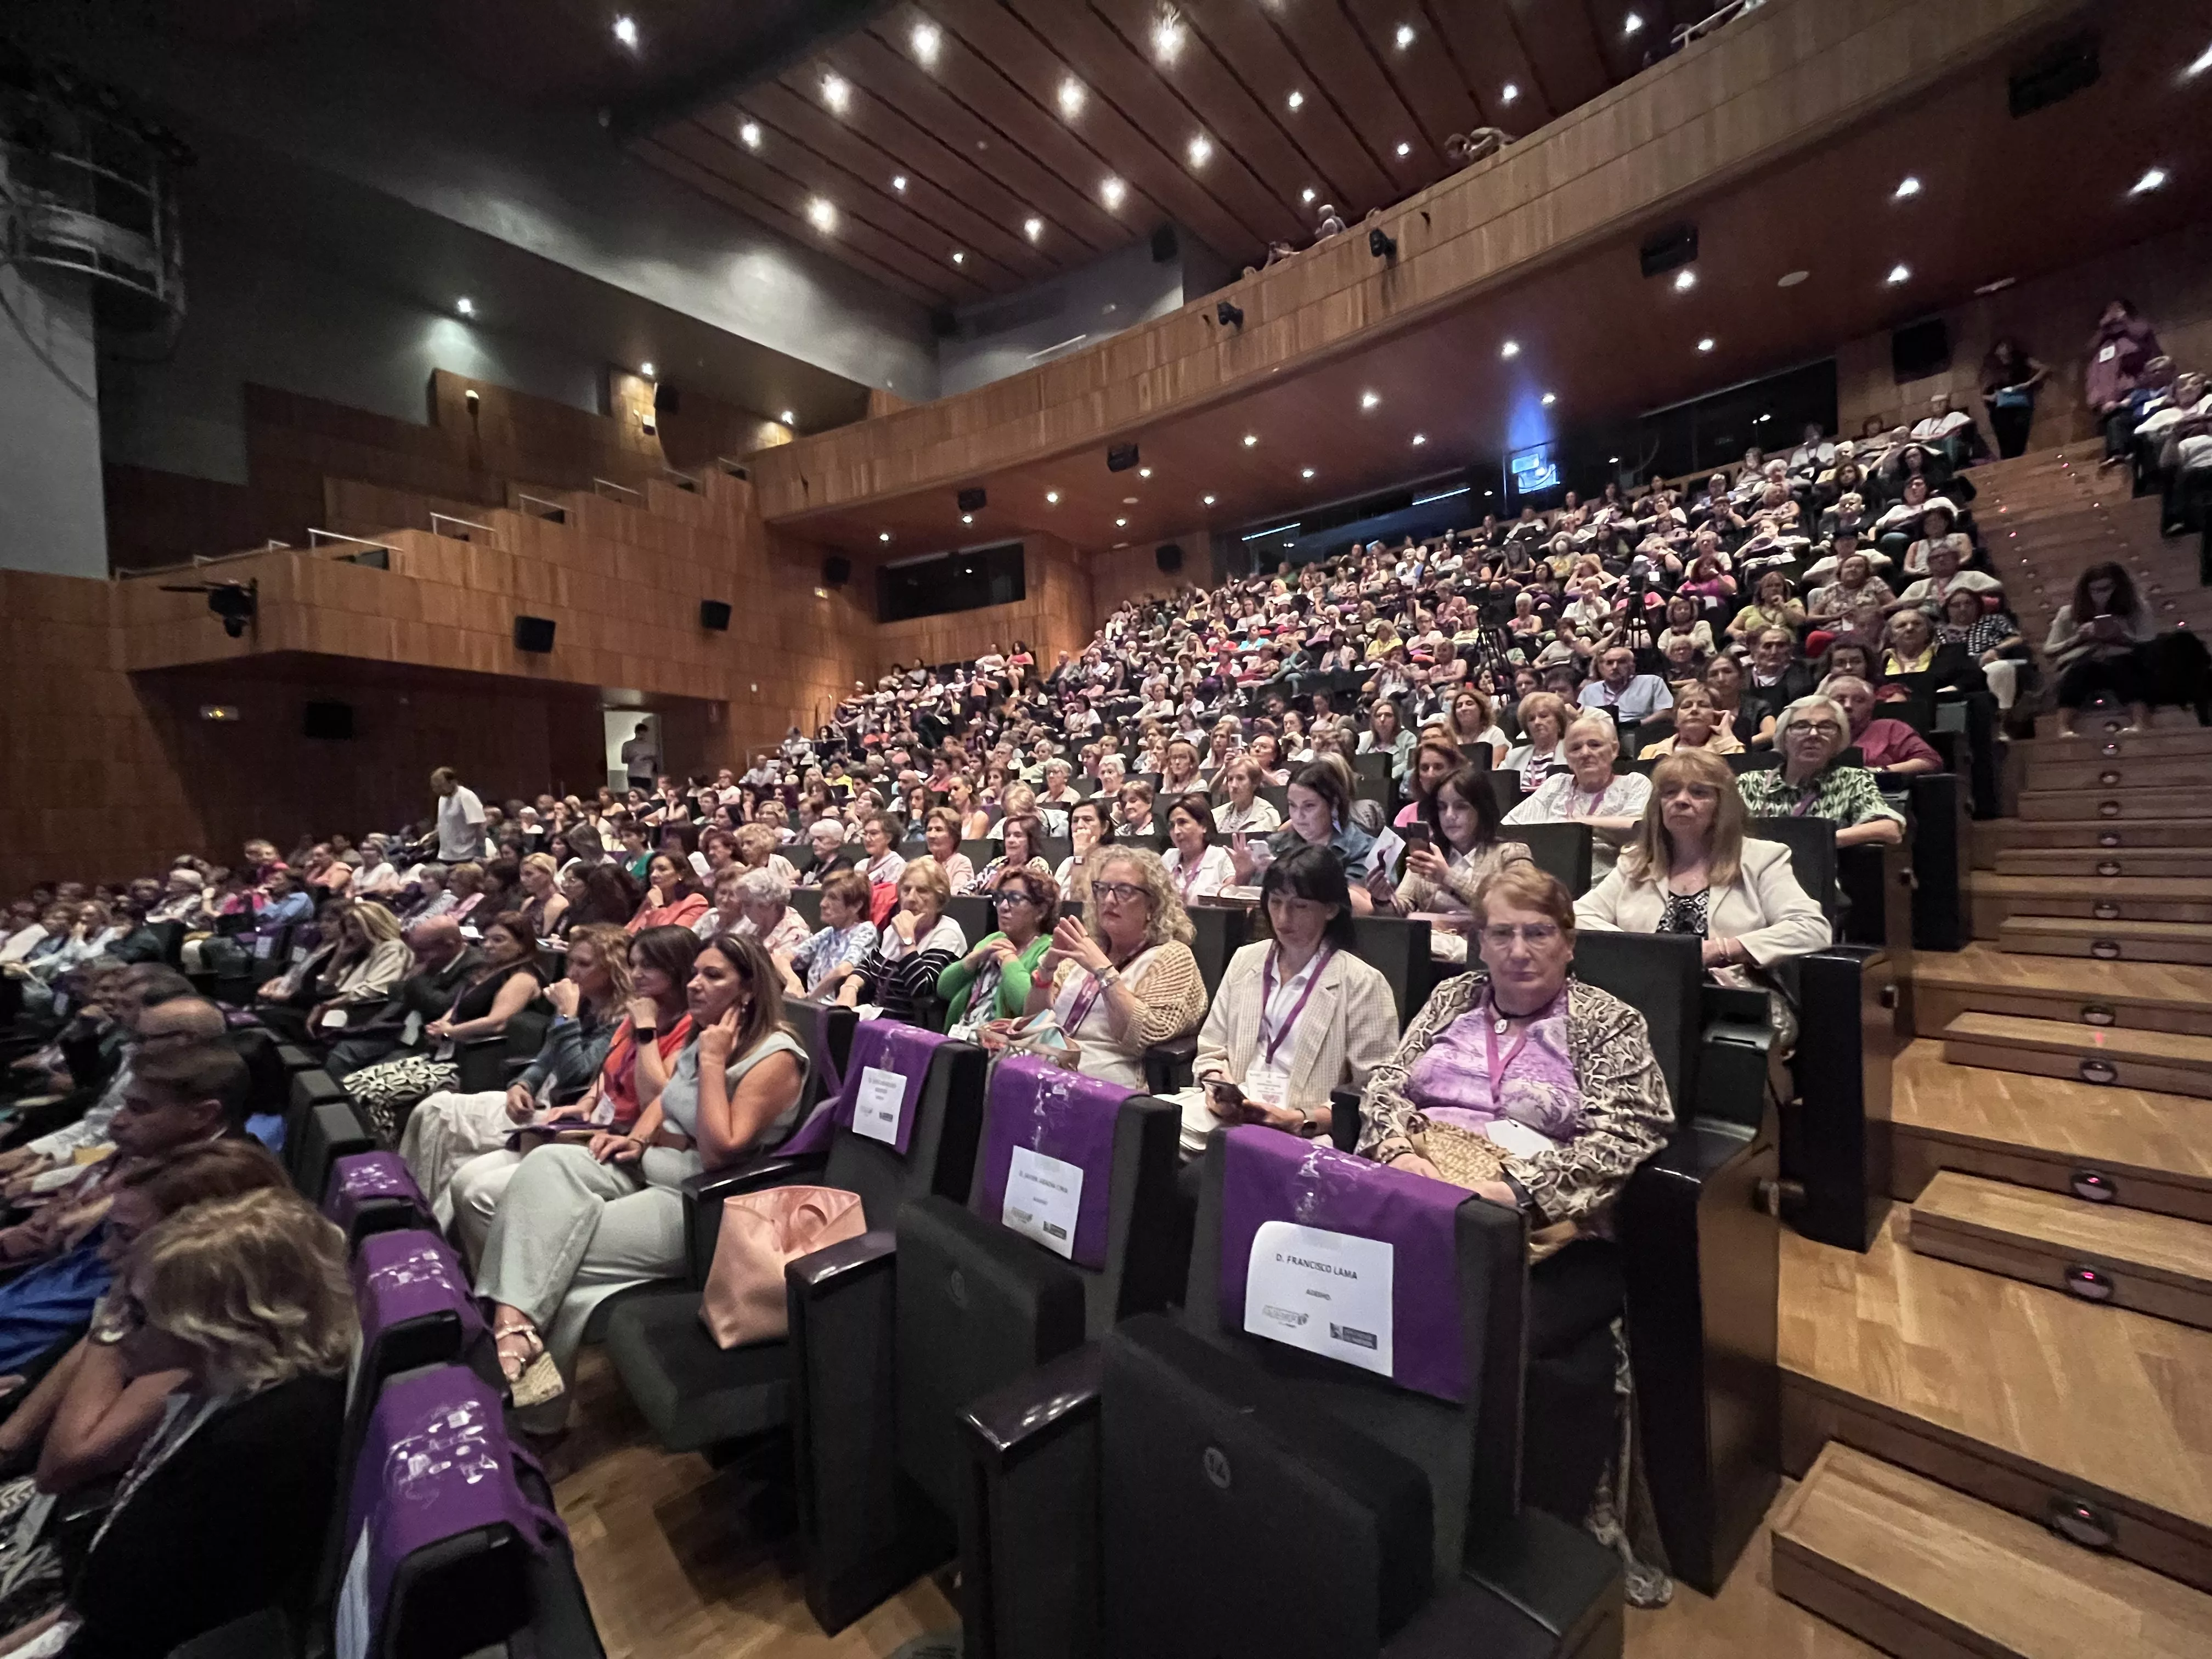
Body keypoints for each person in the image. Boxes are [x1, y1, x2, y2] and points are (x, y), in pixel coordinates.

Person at [1355, 863, 1672, 1522]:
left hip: (1534, 1228)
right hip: (1416, 1189)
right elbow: (1388, 1081)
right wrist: (1401, 1152)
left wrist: (1514, 1192)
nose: (1519, 951)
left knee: (1460, 1320)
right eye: (1501, 934)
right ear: (1479, 941)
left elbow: (1627, 1134)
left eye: (1537, 933)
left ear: (1569, 941)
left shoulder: (1608, 1022)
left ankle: (1458, 1506)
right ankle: (1356, 1474)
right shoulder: (1453, 999)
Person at [0, 1191, 353, 1659]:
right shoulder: (224, 1390)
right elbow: (89, 1609)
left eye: (141, 1314)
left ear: (216, 1326)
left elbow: (125, 1629)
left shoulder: (258, 1446)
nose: (116, 1329)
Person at [476, 934, 807, 1405]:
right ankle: (512, 1324)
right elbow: (664, 1101)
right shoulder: (705, 1031)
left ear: (749, 988)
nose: (695, 985)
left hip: (699, 1202)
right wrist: (635, 1137)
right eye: (694, 973)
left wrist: (714, 1063)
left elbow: (719, 1152)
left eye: (713, 976)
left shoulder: (775, 1057)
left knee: (547, 1250)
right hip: (649, 1166)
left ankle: (523, 1380)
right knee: (549, 1163)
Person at [446, 927, 698, 1262]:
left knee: (482, 1195)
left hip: (624, 1141)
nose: (636, 974)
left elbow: (656, 1098)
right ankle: (475, 1272)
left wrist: (644, 1030)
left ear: (677, 970)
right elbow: (602, 1073)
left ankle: (505, 1284)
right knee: (465, 1181)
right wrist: (585, 1102)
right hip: (588, 1125)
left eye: (647, 967)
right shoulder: (638, 1012)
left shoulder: (680, 1024)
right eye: (633, 964)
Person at [1576, 750, 1830, 1030]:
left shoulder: (1762, 858)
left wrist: (1723, 949)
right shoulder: (1636, 862)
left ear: (1722, 806)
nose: (1681, 801)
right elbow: (1577, 916)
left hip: (1735, 1002)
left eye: (1699, 793)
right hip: (1649, 997)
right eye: (1670, 792)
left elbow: (1811, 928)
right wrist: (1646, 951)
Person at [396, 922, 628, 1226]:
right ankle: (408, 1206)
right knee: (430, 1109)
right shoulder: (582, 1005)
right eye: (570, 961)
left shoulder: (620, 1019)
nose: (572, 971)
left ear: (613, 970)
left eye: (584, 964)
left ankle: (423, 1223)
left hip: (561, 1115)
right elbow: (544, 1060)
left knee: (442, 1118)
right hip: (535, 1101)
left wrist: (565, 1017)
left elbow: (577, 1074)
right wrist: (522, 1083)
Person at [1186, 845, 1399, 1153]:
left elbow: (1374, 1090)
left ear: (1331, 908)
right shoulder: (1246, 960)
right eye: (1275, 903)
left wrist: (1302, 1120)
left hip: (1302, 1131)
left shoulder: (1362, 983)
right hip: (1231, 1118)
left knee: (1209, 1175)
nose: (1283, 919)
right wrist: (1217, 1086)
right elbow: (1211, 1048)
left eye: (1299, 906)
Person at [340, 916, 545, 1143]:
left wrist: (450, 1032)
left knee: (371, 1094)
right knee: (354, 1083)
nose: (488, 946)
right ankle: (360, 1151)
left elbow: (497, 1022)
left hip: (469, 1064)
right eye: (486, 939)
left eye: (498, 940)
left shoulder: (522, 977)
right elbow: (458, 1007)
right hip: (445, 1053)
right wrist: (442, 1024)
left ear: (522, 944)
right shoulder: (487, 972)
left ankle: (382, 1156)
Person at [1018, 848, 1206, 1088]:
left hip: (1104, 1086)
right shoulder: (1084, 951)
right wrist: (1047, 970)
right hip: (1047, 1069)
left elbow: (1141, 1037)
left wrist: (1103, 970)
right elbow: (1034, 1022)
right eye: (1102, 889)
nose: (1108, 900)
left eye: (1124, 891)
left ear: (1153, 905)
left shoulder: (1172, 957)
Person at [1373, 761, 1533, 950]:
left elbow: (1520, 909)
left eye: (1461, 806)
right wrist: (1382, 899)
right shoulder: (1428, 855)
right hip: (1429, 956)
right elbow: (1401, 911)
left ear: (1481, 810)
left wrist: (1448, 877)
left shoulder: (1511, 853)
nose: (1449, 816)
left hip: (1489, 955)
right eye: (1442, 807)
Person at [1736, 696, 1908, 846]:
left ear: (1838, 740)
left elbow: (1889, 829)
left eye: (1826, 726)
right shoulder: (1749, 783)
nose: (1813, 734)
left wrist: (1816, 840)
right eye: (1801, 726)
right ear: (1784, 737)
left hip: (1816, 878)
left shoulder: (1852, 780)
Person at [1503, 714, 1652, 877]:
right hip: (1545, 879)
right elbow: (1508, 828)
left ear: (1614, 750)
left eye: (1595, 745)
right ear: (1567, 757)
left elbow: (1638, 830)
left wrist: (1576, 825)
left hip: (1606, 883)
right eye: (1575, 748)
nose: (1585, 753)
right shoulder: (1557, 784)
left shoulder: (1634, 783)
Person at [1228, 761, 1380, 903]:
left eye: (1309, 806)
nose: (1298, 816)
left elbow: (1364, 906)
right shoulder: (1276, 844)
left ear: (1333, 804)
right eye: (1292, 805)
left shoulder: (1366, 848)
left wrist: (1288, 876)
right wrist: (1243, 876)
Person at [839, 859, 966, 1023]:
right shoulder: (894, 929)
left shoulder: (947, 933)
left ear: (940, 901)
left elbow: (922, 988)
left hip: (910, 1030)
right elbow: (869, 965)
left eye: (922, 891)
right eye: (906, 890)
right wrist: (850, 987)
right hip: (876, 1019)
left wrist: (907, 942)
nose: (911, 898)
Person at [938, 870, 1059, 1036]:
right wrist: (975, 958)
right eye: (1000, 898)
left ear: (1041, 911)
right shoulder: (993, 939)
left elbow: (1027, 1008)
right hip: (960, 1037)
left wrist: (1008, 959)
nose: (1003, 907)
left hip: (1002, 1048)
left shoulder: (1048, 951)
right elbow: (944, 989)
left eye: (1015, 899)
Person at [2046, 560, 2153, 736]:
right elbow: (2049, 650)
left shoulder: (2137, 608)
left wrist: (2121, 636)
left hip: (2124, 659)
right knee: (2079, 671)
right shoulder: (2068, 613)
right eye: (2095, 590)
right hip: (2084, 661)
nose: (2101, 596)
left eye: (2108, 589)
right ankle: (2064, 728)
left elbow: (2148, 641)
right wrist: (2079, 639)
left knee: (2124, 667)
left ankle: (2141, 722)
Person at [2086, 299, 2162, 468]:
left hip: (2135, 394)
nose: (2112, 315)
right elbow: (2090, 355)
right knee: (2112, 424)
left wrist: (2124, 319)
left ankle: (2121, 453)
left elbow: (2143, 334)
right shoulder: (2104, 344)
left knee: (2120, 421)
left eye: (2117, 309)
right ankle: (2119, 453)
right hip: (2106, 401)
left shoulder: (2135, 336)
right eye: (2109, 311)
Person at [780, 868, 878, 999]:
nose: (822, 904)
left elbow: (844, 970)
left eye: (833, 898)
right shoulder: (829, 932)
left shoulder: (865, 931)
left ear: (856, 906)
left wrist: (809, 1001)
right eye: (824, 896)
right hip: (811, 1005)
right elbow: (782, 959)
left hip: (833, 1010)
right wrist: (794, 982)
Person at [1820, 674, 1941, 776]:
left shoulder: (1892, 729)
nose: (1848, 706)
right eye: (1840, 700)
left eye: (1859, 700)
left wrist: (1878, 771)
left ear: (1871, 706)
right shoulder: (1814, 732)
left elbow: (1930, 761)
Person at [1980, 337, 2048, 459]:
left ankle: (2018, 460)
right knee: (2005, 437)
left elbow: (2044, 368)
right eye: (2001, 346)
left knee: (2020, 435)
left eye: (2007, 345)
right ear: (1996, 351)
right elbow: (1983, 391)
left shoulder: (2021, 360)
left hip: (2021, 402)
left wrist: (2028, 383)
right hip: (2001, 407)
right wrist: (1991, 397)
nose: (2005, 348)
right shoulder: (1992, 367)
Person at [1162, 793, 1235, 904]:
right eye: (1172, 826)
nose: (1176, 831)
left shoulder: (1221, 857)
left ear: (1204, 825)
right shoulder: (1168, 858)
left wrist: (1243, 874)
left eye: (1183, 822)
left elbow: (1233, 900)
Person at [1638, 683, 1744, 758]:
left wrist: (1727, 734)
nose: (1694, 710)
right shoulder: (1651, 752)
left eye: (1704, 705)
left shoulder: (1729, 747)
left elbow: (1739, 779)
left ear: (1717, 716)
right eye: (1686, 706)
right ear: (1676, 719)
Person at [1503, 690, 1574, 791]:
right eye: (1531, 719)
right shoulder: (1514, 756)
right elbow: (1498, 789)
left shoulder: (1573, 752)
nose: (1537, 722)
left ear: (1559, 722)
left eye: (1543, 716)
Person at [1577, 645, 1673, 720]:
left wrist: (1639, 725)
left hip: (1641, 733)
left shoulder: (1652, 682)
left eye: (1621, 662)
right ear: (1601, 668)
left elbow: (1666, 712)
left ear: (1632, 667)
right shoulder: (1589, 691)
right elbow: (1581, 718)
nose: (1615, 667)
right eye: (1609, 663)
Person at [626, 851, 707, 934]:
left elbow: (668, 940)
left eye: (662, 869)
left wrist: (657, 906)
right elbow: (629, 931)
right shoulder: (649, 901)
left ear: (681, 874)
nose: (654, 875)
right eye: (651, 871)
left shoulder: (695, 902)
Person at [1211, 756, 1283, 837]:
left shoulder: (1268, 815)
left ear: (1254, 783)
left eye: (1240, 778)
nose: (1234, 785)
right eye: (1230, 779)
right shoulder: (1216, 814)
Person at [432, 765, 487, 864]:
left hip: (466, 855)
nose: (437, 790)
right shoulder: (442, 798)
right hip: (445, 855)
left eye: (441, 786)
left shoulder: (467, 797)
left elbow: (480, 825)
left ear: (452, 782)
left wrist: (481, 853)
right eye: (435, 787)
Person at [619, 721, 659, 792]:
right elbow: (624, 760)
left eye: (644, 734)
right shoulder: (628, 745)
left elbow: (655, 759)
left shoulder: (650, 746)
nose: (642, 736)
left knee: (646, 795)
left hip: (647, 774)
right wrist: (632, 757)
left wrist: (648, 758)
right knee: (634, 794)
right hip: (634, 774)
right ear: (636, 733)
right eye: (640, 734)